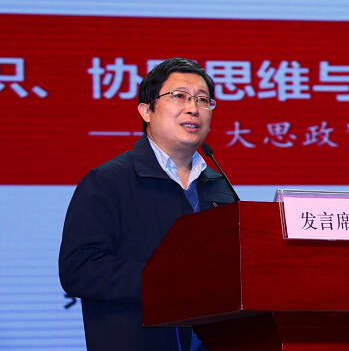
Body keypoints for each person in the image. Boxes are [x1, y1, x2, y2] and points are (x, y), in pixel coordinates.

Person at [59, 57, 236, 351]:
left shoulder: (220, 186)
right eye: (179, 96)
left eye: (203, 100)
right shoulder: (107, 182)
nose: (194, 108)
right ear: (146, 111)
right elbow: (80, 269)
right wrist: (169, 282)